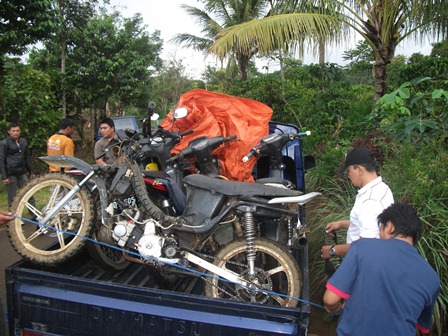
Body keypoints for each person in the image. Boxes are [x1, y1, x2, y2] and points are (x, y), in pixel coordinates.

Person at [323, 203, 440, 335]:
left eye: (380, 229)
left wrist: (336, 308)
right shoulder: (432, 278)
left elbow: (330, 299)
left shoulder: (362, 247)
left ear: (389, 226)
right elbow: (420, 327)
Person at [321, 147, 394, 259]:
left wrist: (332, 250)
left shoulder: (370, 201)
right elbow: (372, 225)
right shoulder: (382, 188)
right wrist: (341, 224)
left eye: (349, 171)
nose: (348, 175)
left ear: (359, 170)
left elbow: (366, 245)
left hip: (367, 264)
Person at [0, 123, 35, 209]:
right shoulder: (4, 143)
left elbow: (27, 157)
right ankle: (13, 218)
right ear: (9, 132)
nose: (16, 133)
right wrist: (4, 177)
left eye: (17, 131)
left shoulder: (23, 141)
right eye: (13, 131)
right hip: (10, 173)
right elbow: (1, 160)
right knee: (13, 197)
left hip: (21, 172)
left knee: (28, 192)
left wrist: (31, 171)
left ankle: (35, 216)